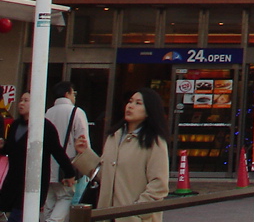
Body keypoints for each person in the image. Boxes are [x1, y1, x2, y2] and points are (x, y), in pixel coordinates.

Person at [72, 88, 169, 222]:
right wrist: (85, 153)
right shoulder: (114, 136)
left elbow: (159, 184)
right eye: (130, 101)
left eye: (138, 103)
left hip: (133, 218)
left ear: (149, 111)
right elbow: (105, 175)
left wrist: (136, 212)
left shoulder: (154, 141)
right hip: (106, 214)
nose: (130, 106)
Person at [0, 92, 76, 222]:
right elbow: (10, 150)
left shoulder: (45, 127)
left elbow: (57, 151)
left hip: (33, 181)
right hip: (13, 180)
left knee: (20, 215)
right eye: (21, 100)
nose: (21, 103)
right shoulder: (15, 125)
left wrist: (69, 173)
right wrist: (2, 146)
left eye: (26, 100)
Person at [42, 81, 89, 222]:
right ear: (68, 93)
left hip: (48, 167)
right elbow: (83, 142)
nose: (74, 96)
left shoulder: (47, 113)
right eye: (73, 93)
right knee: (66, 197)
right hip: (66, 167)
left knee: (49, 201)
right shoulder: (76, 112)